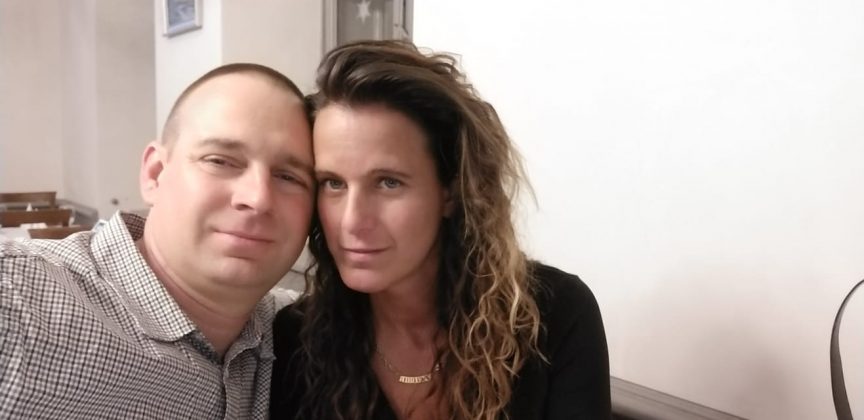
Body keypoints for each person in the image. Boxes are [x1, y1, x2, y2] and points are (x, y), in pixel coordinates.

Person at [270, 40, 611, 419]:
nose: (351, 221)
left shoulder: (553, 317)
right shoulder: (298, 340)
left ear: (450, 191)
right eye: (333, 183)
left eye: (388, 182)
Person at [0, 63, 315, 419]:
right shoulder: (18, 299)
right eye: (220, 161)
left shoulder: (298, 334)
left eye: (289, 177)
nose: (257, 198)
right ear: (156, 174)